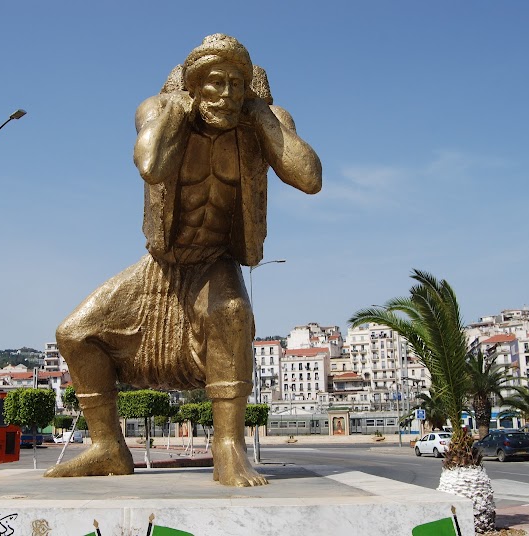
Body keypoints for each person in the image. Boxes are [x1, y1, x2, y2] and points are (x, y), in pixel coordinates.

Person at [44, 34, 321, 486]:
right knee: (75, 334)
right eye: (215, 83)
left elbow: (310, 178)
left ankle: (228, 448)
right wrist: (177, 111)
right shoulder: (158, 110)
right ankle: (107, 446)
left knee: (230, 312)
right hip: (162, 263)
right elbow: (152, 164)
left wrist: (259, 117)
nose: (226, 94)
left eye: (237, 83)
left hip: (215, 260)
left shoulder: (266, 119)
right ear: (194, 86)